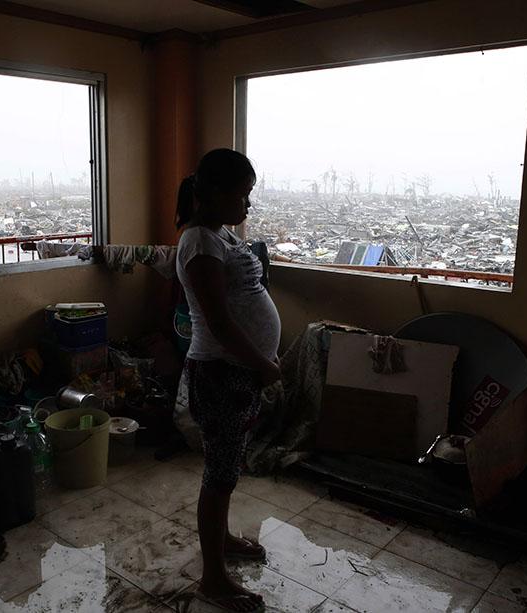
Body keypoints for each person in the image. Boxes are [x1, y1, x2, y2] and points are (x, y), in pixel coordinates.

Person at [176, 149, 281, 613]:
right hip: (223, 374)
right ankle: (213, 580)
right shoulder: (200, 243)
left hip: (235, 373)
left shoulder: (217, 236)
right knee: (218, 477)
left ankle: (225, 542)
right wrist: (263, 363)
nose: (247, 205)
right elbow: (219, 323)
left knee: (228, 469)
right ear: (214, 194)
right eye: (242, 195)